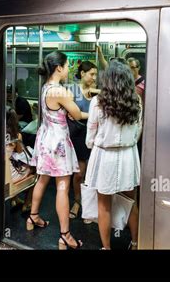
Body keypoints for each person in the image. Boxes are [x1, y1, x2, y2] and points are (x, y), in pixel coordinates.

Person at [28, 51, 85, 250]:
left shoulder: (45, 87)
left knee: (42, 178)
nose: (69, 69)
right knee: (63, 186)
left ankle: (32, 217)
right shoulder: (60, 91)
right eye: (68, 65)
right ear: (59, 68)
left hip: (45, 138)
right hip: (58, 142)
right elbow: (77, 114)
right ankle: (64, 235)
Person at [85, 61, 143, 250]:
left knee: (104, 205)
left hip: (104, 157)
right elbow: (137, 134)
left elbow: (90, 137)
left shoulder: (97, 102)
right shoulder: (136, 101)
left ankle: (106, 247)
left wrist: (94, 143)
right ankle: (135, 242)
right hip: (128, 156)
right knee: (130, 201)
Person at [67, 61, 98, 223]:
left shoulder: (95, 92)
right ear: (82, 73)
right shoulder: (72, 90)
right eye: (91, 74)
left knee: (92, 175)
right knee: (79, 173)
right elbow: (73, 114)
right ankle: (77, 202)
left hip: (94, 135)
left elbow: (79, 114)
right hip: (78, 135)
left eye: (95, 74)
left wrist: (81, 114)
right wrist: (88, 115)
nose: (94, 77)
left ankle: (89, 206)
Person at [6, 108, 34, 211]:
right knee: (34, 170)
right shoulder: (16, 136)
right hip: (10, 178)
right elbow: (19, 151)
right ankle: (28, 203)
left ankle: (15, 199)